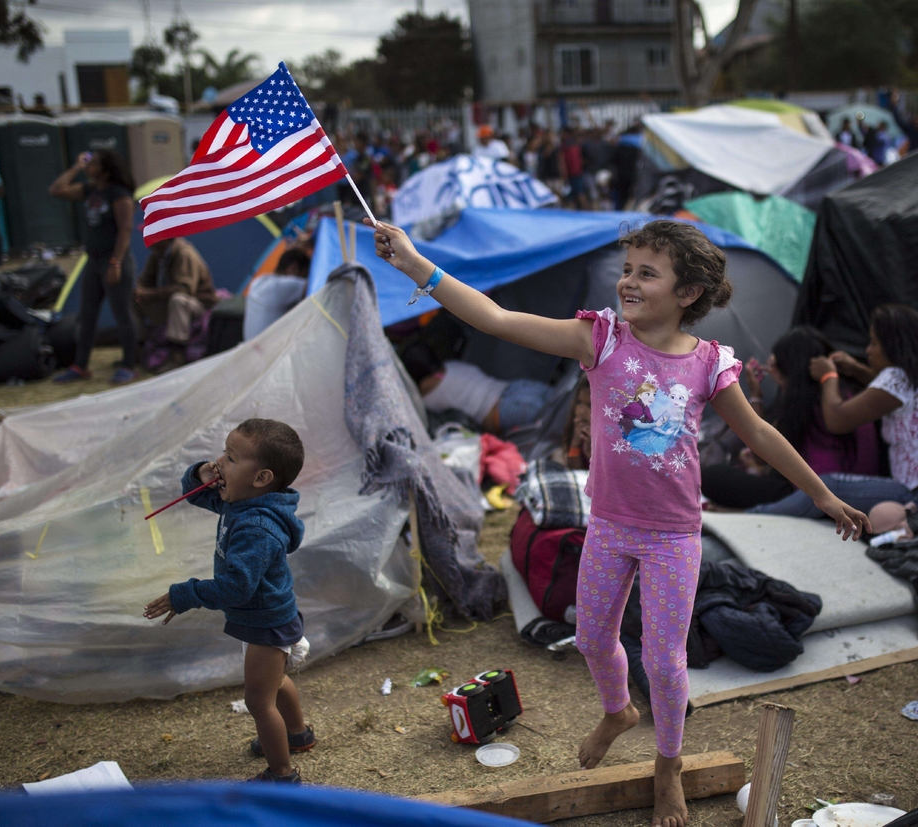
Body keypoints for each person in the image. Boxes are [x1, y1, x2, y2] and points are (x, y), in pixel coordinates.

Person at [368, 216, 869, 827]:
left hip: (673, 536)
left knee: (662, 660)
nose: (628, 281)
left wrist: (819, 495)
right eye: (627, 270)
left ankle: (668, 768)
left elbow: (760, 433)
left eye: (646, 273)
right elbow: (496, 320)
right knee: (591, 639)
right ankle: (617, 710)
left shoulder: (710, 364)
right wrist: (418, 264)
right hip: (608, 525)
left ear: (687, 295)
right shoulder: (599, 339)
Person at [143, 419, 313, 783]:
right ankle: (297, 734)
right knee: (275, 681)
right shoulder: (245, 502)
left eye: (231, 458)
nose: (220, 462)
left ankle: (282, 775)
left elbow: (236, 588)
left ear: (262, 478)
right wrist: (199, 474)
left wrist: (184, 594)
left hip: (267, 621)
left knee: (258, 701)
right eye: (223, 452)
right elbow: (202, 494)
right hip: (269, 615)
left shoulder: (256, 526)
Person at [752, 304, 918, 530]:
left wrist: (828, 377)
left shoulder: (897, 377)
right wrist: (856, 369)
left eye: (874, 343)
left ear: (893, 347)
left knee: (828, 488)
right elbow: (890, 396)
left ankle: (751, 519)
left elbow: (836, 420)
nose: (868, 350)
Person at [702, 327, 881, 510]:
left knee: (711, 476)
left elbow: (761, 456)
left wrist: (756, 395)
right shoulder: (849, 393)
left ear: (786, 370)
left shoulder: (802, 406)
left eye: (776, 366)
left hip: (818, 496)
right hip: (861, 488)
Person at [49, 149, 138, 384]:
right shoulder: (90, 190)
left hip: (113, 260)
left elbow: (125, 229)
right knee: (87, 316)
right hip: (93, 261)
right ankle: (80, 366)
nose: (89, 165)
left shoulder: (119, 194)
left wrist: (115, 262)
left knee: (122, 314)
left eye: (94, 163)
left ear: (106, 169)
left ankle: (129, 365)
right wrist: (76, 167)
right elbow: (56, 190)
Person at [400, 342, 555, 436]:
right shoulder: (453, 365)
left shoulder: (428, 399)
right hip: (517, 387)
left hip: (503, 411)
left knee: (560, 425)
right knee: (564, 407)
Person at [134, 236, 218, 372]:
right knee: (134, 300)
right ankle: (139, 346)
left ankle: (177, 354)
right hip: (168, 303)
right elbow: (144, 280)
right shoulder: (158, 255)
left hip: (198, 305)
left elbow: (185, 289)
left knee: (178, 300)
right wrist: (139, 292)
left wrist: (151, 294)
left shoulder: (184, 254)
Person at [244, 249, 311, 341]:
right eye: (305, 275)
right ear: (294, 268)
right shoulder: (282, 287)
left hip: (250, 351)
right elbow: (318, 285)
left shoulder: (258, 281)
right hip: (272, 353)